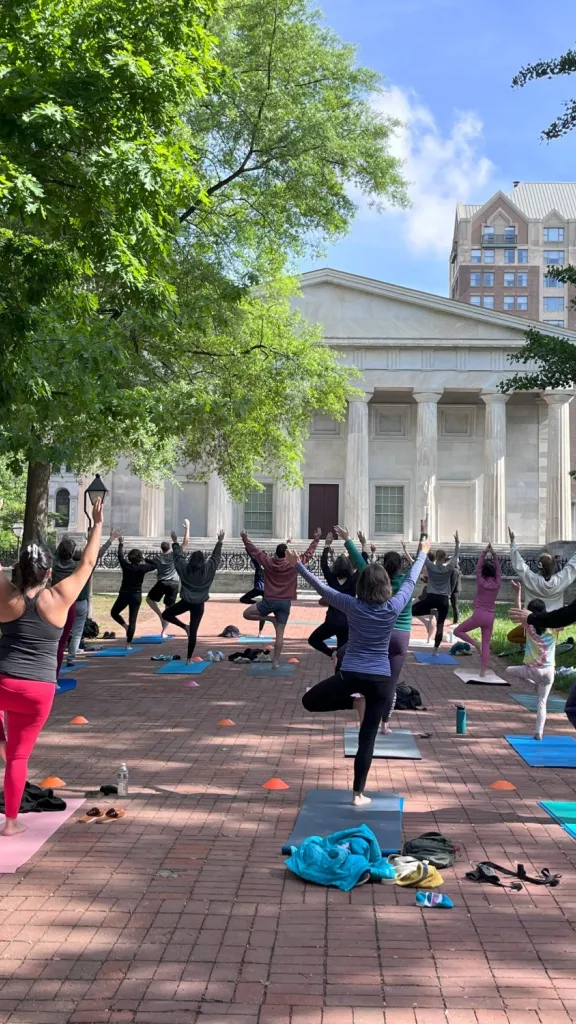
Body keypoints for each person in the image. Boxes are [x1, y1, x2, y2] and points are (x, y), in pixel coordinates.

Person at [289, 532, 429, 805]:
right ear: (387, 586)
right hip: (379, 681)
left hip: (351, 675)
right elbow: (411, 581)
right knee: (368, 737)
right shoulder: (393, 607)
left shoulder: (352, 605)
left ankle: (352, 704)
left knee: (309, 701)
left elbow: (322, 589)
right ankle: (358, 794)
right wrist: (422, 551)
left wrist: (298, 565)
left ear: (361, 586)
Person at [0, 499, 104, 836]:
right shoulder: (59, 596)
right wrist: (96, 523)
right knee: (17, 758)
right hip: (37, 691)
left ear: (18, 570)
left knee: (8, 747)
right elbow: (88, 562)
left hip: (2, 680)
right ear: (48, 572)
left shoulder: (5, 594)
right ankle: (10, 823)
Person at [241, 528, 320, 669]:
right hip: (285, 603)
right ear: (286, 554)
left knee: (247, 614)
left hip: (270, 600)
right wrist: (316, 539)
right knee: (280, 635)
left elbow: (255, 552)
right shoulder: (293, 563)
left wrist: (245, 538)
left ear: (276, 554)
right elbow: (308, 555)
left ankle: (269, 619)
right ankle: (275, 662)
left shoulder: (269, 562)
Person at [162, 530, 225, 662]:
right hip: (199, 605)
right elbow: (215, 558)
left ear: (191, 560)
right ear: (202, 561)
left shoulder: (185, 569)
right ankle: (189, 658)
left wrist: (174, 542)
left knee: (166, 614)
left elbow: (178, 557)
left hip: (186, 602)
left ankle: (184, 627)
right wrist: (219, 542)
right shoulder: (207, 570)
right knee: (193, 632)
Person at [506, 527, 576, 645]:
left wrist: (513, 544)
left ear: (539, 566)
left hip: (533, 620)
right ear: (554, 566)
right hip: (554, 622)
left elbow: (520, 565)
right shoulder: (560, 581)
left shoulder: (532, 579)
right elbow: (572, 567)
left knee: (533, 645)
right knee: (549, 647)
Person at [66, 528, 121, 666]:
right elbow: (97, 554)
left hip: (65, 602)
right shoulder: (84, 568)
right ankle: (71, 658)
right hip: (80, 602)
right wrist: (110, 539)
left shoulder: (59, 566)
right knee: (77, 631)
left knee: (61, 631)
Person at [506, 590, 556, 740]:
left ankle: (533, 687)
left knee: (508, 671)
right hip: (549, 672)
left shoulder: (530, 627)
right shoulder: (553, 628)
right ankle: (539, 732)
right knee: (542, 702)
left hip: (533, 671)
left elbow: (518, 612)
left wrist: (517, 593)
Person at [453, 543, 501, 677]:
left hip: (479, 614)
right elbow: (498, 569)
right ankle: (482, 672)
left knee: (458, 631)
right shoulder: (497, 583)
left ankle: (475, 643)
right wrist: (494, 554)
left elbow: (478, 567)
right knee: (486, 644)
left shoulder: (481, 581)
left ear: (484, 573)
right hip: (490, 617)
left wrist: (484, 552)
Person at [308, 532, 356, 660]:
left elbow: (323, 565)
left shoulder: (332, 580)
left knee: (314, 639)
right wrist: (363, 547)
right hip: (347, 621)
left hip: (332, 620)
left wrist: (326, 546)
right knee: (343, 652)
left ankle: (331, 654)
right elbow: (363, 566)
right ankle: (339, 668)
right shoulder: (353, 580)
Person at [411, 530, 460, 654]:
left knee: (412, 610)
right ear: (444, 558)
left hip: (431, 597)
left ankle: (430, 612)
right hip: (443, 600)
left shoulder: (431, 567)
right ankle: (435, 650)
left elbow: (421, 555)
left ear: (437, 557)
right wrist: (457, 542)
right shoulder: (448, 567)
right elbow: (456, 556)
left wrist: (424, 539)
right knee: (440, 625)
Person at [111, 540, 157, 647]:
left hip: (124, 594)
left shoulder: (126, 566)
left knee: (114, 612)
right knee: (133, 620)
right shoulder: (143, 568)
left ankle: (125, 626)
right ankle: (128, 643)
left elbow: (120, 556)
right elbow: (155, 565)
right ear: (139, 558)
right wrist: (144, 558)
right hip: (136, 595)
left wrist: (121, 544)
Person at [146, 521, 189, 636]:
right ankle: (163, 632)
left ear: (161, 548)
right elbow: (185, 543)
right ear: (170, 547)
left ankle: (160, 616)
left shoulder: (158, 558)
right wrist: (186, 529)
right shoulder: (174, 555)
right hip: (174, 584)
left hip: (162, 583)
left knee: (149, 599)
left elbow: (147, 563)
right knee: (168, 608)